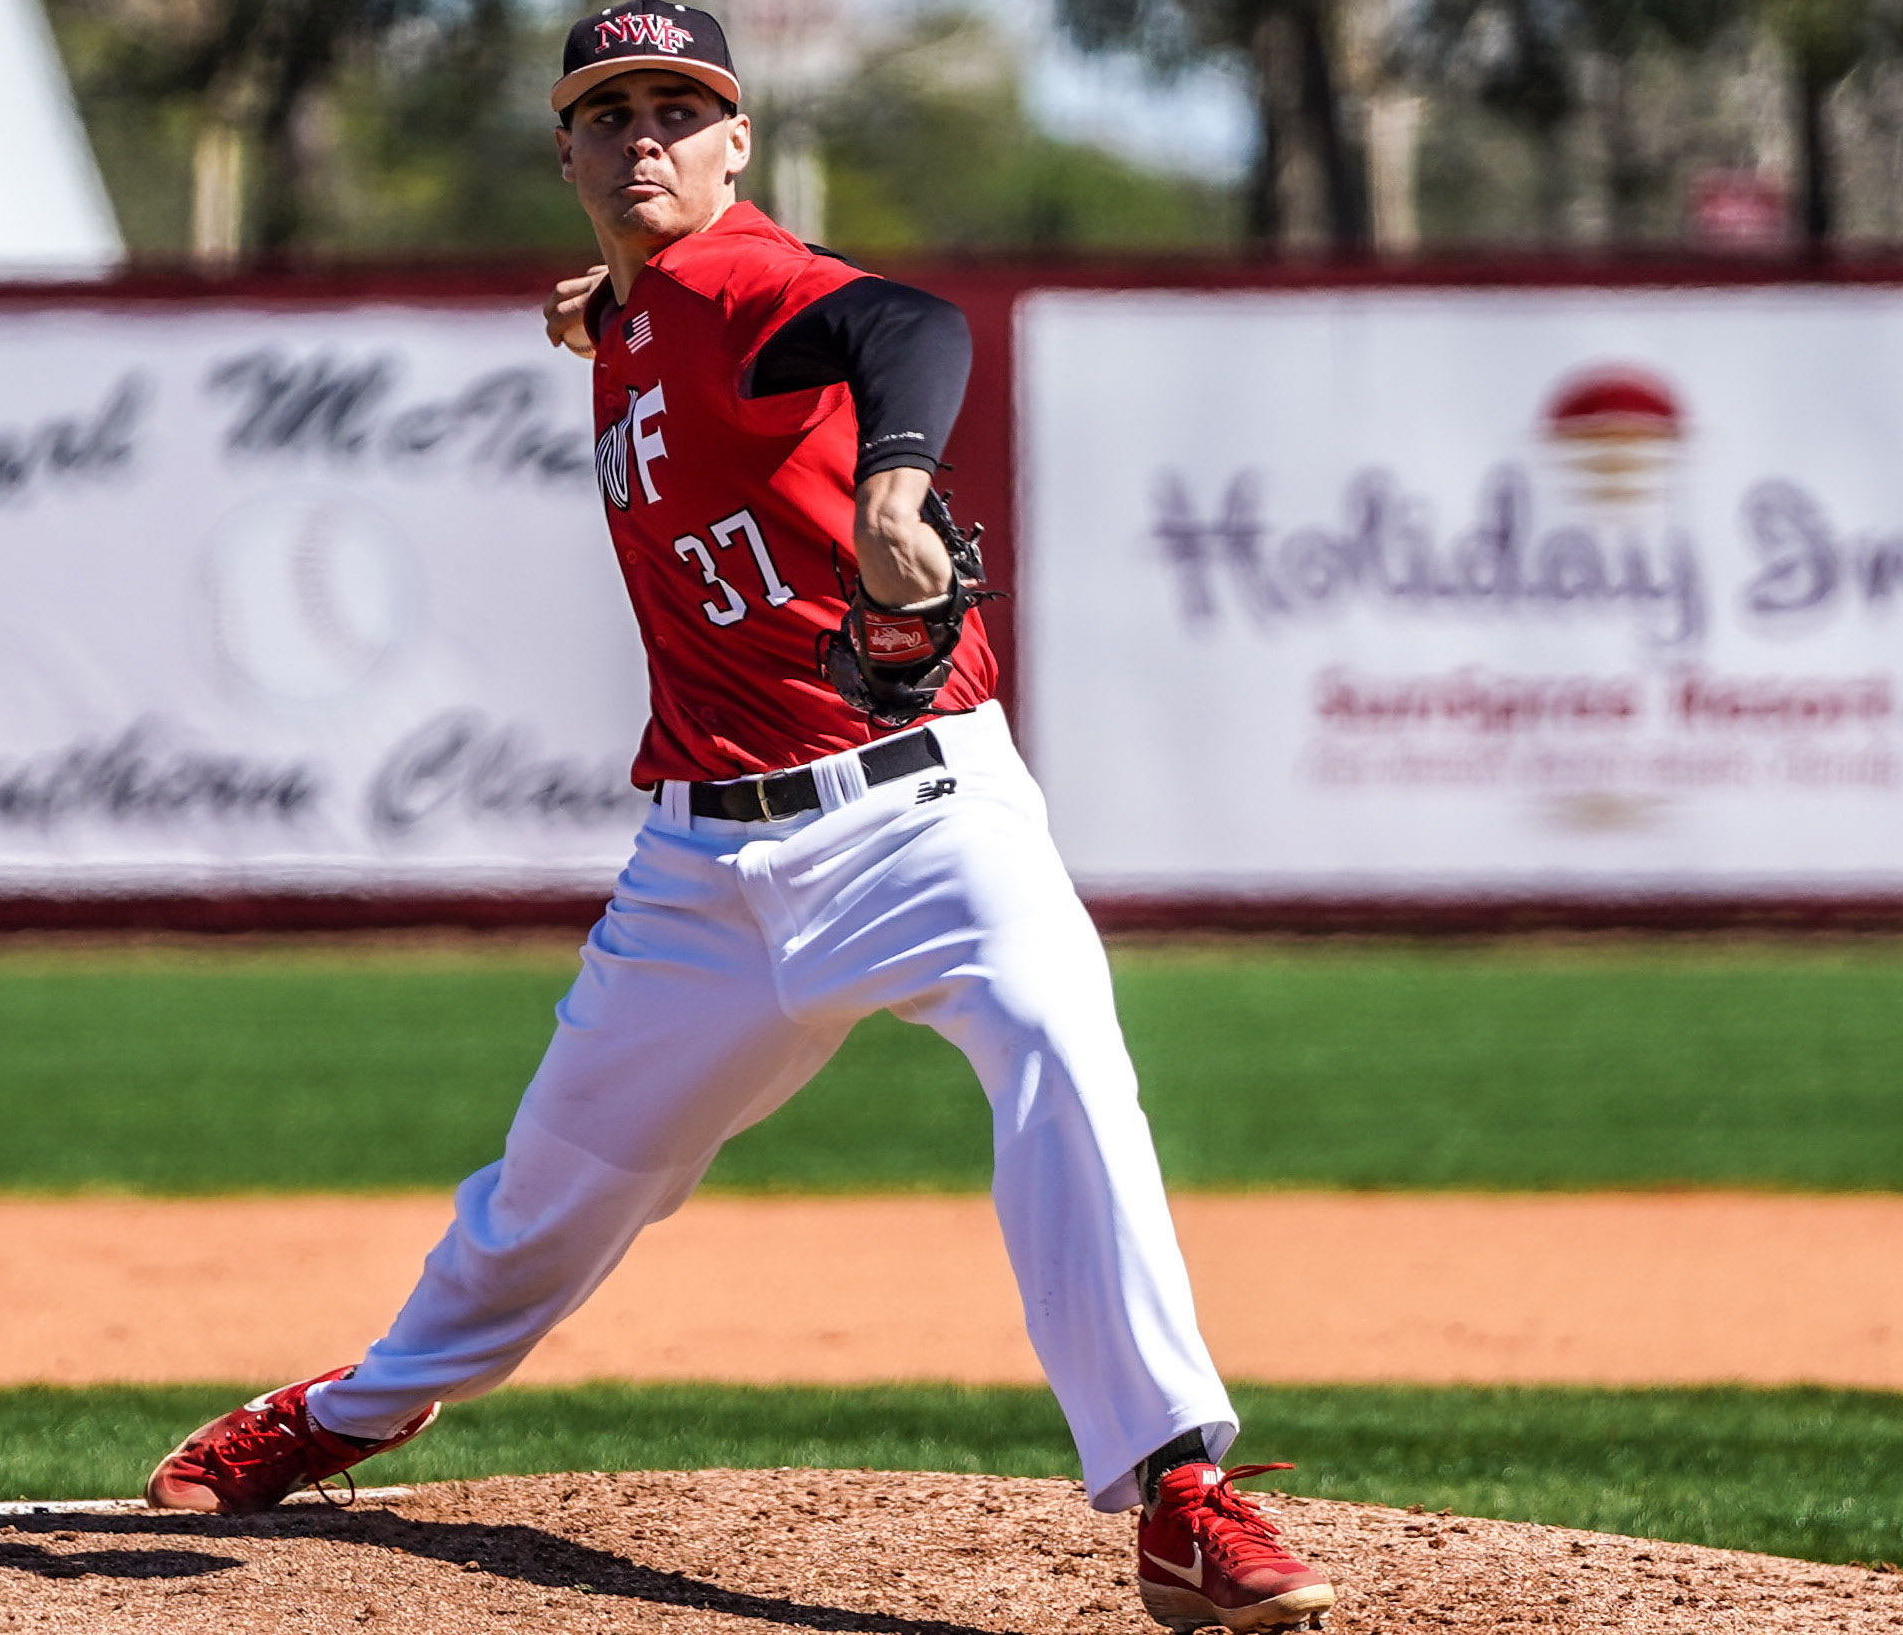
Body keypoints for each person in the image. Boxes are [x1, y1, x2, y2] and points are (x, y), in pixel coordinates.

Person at [145, 6, 1334, 1630]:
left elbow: (904, 323)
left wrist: (898, 484)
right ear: (563, 151)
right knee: (549, 1194)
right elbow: (667, 329)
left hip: (921, 815)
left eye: (676, 109)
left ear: (734, 143)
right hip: (704, 866)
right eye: (607, 112)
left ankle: (1181, 1496)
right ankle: (353, 1409)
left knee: (1062, 1059)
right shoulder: (635, 309)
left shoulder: (734, 279)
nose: (643, 137)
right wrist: (613, 306)